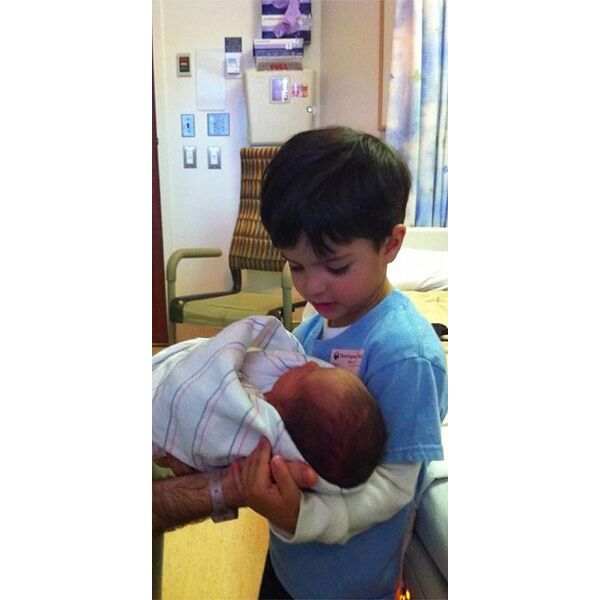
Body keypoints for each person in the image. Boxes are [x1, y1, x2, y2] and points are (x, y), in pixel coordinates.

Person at [232, 126, 448, 599]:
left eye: (336, 267)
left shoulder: (404, 355)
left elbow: (394, 487)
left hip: (347, 584)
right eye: (297, 265)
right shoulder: (313, 328)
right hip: (289, 560)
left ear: (390, 245)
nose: (312, 286)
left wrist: (303, 516)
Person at [153, 315, 386, 490]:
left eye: (305, 376)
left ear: (280, 410)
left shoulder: (252, 425)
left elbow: (195, 398)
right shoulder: (314, 327)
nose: (310, 364)